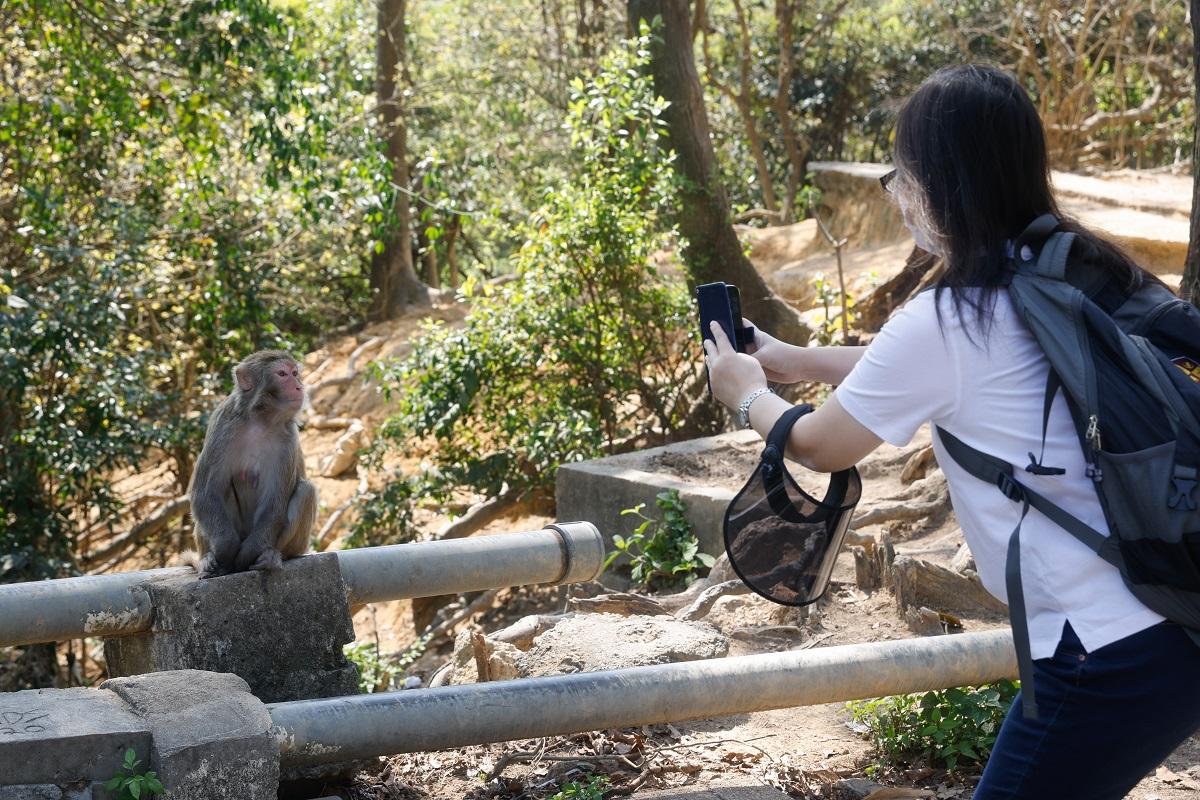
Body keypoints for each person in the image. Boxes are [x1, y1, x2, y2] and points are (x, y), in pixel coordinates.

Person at [702, 64, 1200, 799]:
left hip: (1102, 651)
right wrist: (789, 359)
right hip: (1167, 620)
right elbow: (923, 366)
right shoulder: (1056, 265)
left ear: (943, 183)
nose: (896, 193)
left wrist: (747, 397)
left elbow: (819, 444)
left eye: (901, 173)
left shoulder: (947, 319)